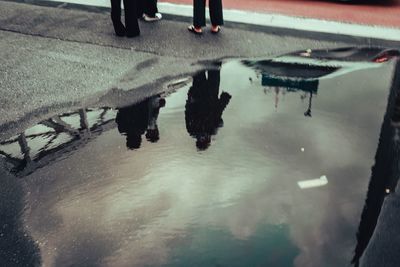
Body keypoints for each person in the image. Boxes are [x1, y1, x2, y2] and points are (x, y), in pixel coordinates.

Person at [185, 67, 231, 150]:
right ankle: (198, 55)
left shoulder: (211, 130)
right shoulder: (192, 130)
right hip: (198, 94)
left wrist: (225, 98)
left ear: (207, 141)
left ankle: (213, 56)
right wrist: (190, 96)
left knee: (214, 68)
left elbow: (218, 111)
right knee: (199, 70)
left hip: (211, 95)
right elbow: (188, 112)